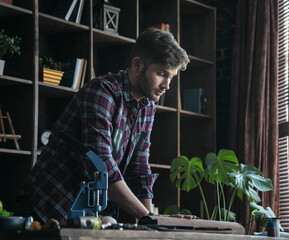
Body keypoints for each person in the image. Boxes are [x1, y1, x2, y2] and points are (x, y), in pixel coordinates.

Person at [17, 28, 191, 223]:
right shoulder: (102, 92)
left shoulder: (147, 107)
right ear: (137, 65)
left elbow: (139, 167)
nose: (167, 85)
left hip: (86, 213)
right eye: (161, 74)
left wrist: (151, 223)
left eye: (171, 77)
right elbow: (101, 166)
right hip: (46, 207)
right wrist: (147, 217)